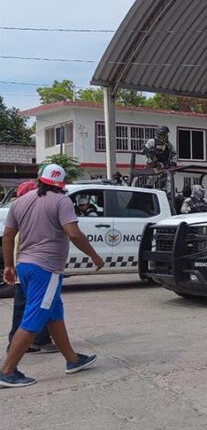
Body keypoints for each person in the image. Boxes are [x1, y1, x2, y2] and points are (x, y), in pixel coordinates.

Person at [0, 164, 105, 388]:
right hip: (46, 270)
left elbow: (8, 235)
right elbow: (73, 233)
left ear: (40, 179)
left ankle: (73, 360)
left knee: (54, 315)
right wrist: (95, 257)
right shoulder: (61, 200)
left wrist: (8, 265)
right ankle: (7, 371)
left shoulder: (21, 201)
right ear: (61, 183)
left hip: (25, 266)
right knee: (34, 318)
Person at [6, 180, 56, 354]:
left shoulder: (20, 212)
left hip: (24, 269)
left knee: (31, 306)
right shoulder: (28, 216)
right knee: (36, 306)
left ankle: (35, 340)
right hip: (32, 269)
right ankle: (26, 343)